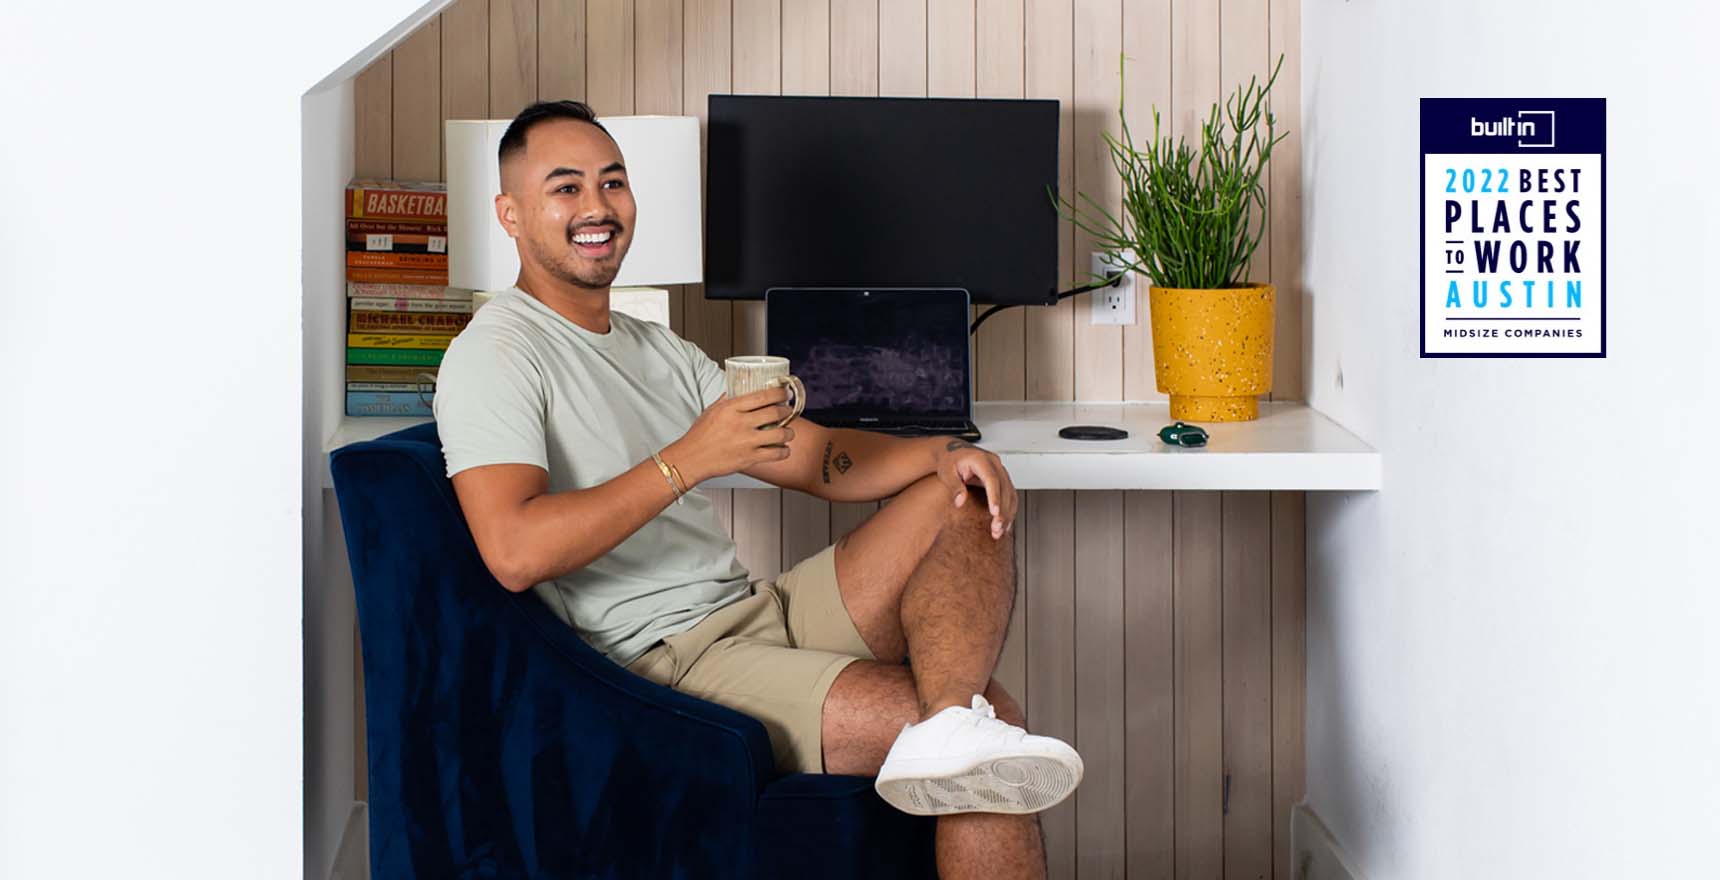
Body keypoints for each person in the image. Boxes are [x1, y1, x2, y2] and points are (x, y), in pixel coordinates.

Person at [432, 100, 1083, 879]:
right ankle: (955, 728)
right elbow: (514, 551)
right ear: (509, 213)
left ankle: (949, 725)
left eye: (613, 182)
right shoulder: (494, 353)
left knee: (962, 495)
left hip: (754, 612)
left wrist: (941, 452)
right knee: (994, 731)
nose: (598, 206)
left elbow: (817, 460)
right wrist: (687, 461)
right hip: (665, 662)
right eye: (565, 188)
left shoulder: (658, 349)